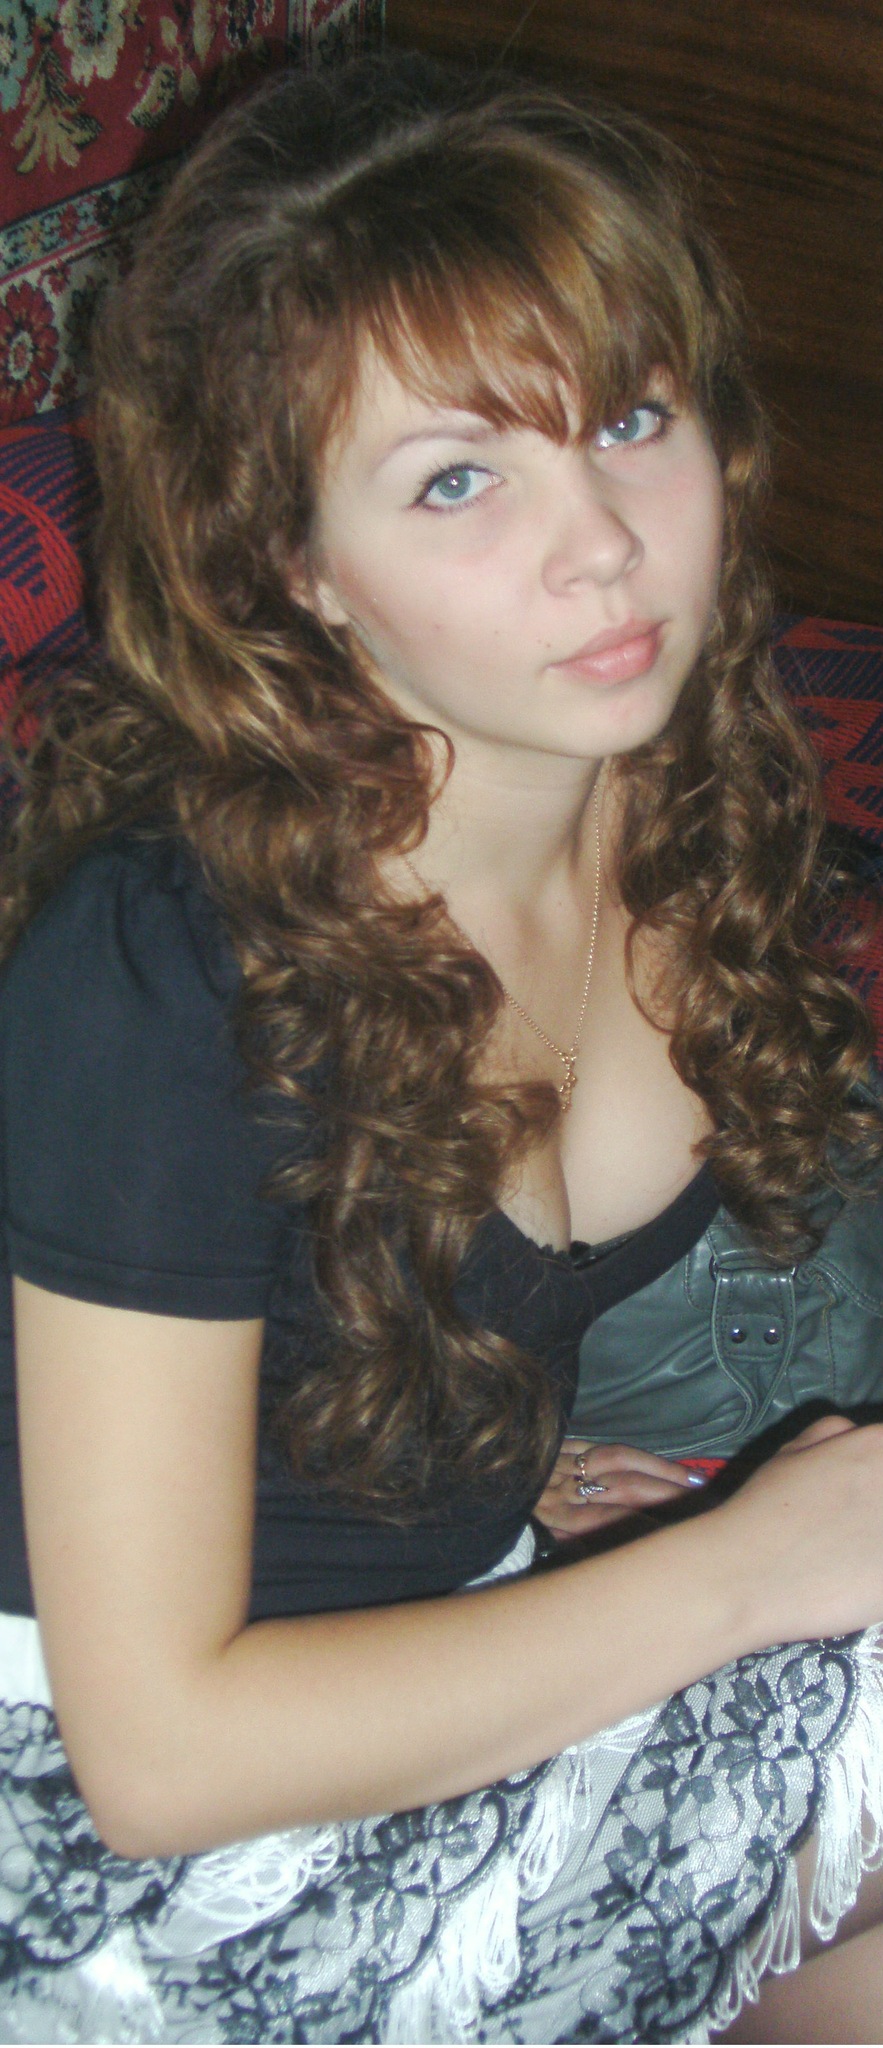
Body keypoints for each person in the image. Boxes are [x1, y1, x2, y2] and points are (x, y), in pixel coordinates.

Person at [1, 50, 883, 2047]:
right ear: (294, 567)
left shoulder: (671, 792)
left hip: (456, 1637)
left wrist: (501, 1489)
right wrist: (746, 1567)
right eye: (458, 480)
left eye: (630, 420)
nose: (603, 549)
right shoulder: (155, 973)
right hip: (139, 1836)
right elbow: (159, 1755)